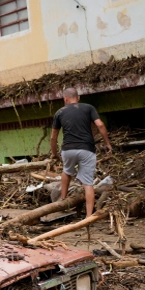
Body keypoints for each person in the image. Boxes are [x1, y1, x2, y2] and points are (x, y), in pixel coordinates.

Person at [50, 87, 112, 218]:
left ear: (65, 99)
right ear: (78, 98)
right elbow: (100, 125)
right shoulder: (89, 108)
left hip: (68, 149)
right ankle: (89, 216)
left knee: (67, 171)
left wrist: (55, 153)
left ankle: (63, 199)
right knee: (88, 183)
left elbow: (53, 137)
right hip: (87, 149)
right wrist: (107, 143)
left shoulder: (60, 112)